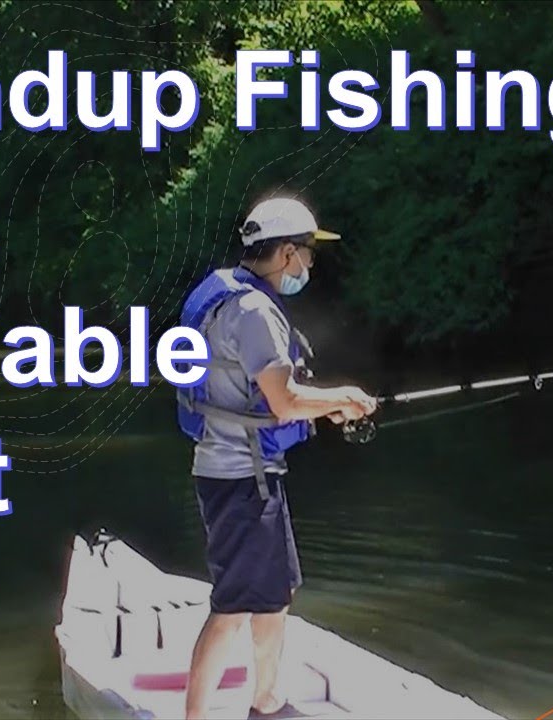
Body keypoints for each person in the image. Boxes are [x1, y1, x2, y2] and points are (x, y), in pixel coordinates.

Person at [175, 196, 378, 719]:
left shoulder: (224, 295)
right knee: (233, 606)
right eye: (308, 254)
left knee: (275, 593)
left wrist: (326, 407)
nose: (310, 265)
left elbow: (255, 398)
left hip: (247, 474)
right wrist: (344, 396)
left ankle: (266, 702)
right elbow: (284, 400)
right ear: (286, 253)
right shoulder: (255, 312)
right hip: (239, 479)